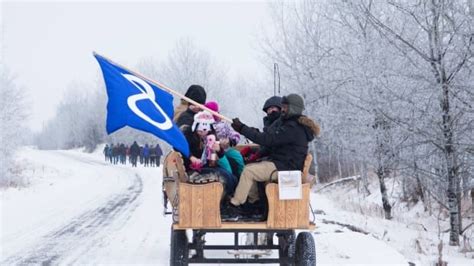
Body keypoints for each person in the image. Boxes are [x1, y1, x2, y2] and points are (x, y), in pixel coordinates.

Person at [226, 94, 320, 218]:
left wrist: (242, 129)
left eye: (285, 107)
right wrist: (249, 130)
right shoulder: (289, 124)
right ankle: (254, 205)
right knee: (250, 167)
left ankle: (234, 205)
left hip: (286, 168)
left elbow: (268, 139)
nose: (283, 109)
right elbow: (268, 135)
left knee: (249, 172)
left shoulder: (293, 128)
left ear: (293, 108)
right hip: (282, 163)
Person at [204, 101, 245, 178]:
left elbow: (234, 134)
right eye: (216, 112)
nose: (218, 114)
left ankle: (242, 177)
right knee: (226, 166)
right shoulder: (205, 125)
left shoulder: (223, 123)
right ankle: (230, 180)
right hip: (214, 152)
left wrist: (230, 140)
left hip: (226, 149)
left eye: (218, 112)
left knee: (238, 157)